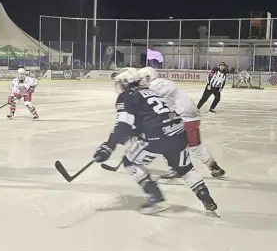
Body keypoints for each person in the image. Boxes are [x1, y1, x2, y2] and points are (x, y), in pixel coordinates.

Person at [92, 68, 218, 215]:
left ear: (125, 82)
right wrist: (135, 130)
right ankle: (206, 198)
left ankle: (157, 199)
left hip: (157, 136)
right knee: (186, 168)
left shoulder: (126, 96)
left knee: (130, 162)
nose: (119, 86)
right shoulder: (151, 91)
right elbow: (156, 114)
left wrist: (108, 147)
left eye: (120, 82)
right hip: (178, 131)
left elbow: (123, 125)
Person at [137, 67, 226, 178]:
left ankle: (175, 168)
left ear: (147, 77)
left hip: (184, 117)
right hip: (189, 116)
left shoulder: (155, 85)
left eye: (140, 79)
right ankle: (214, 168)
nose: (139, 82)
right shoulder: (162, 82)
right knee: (194, 147)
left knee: (167, 143)